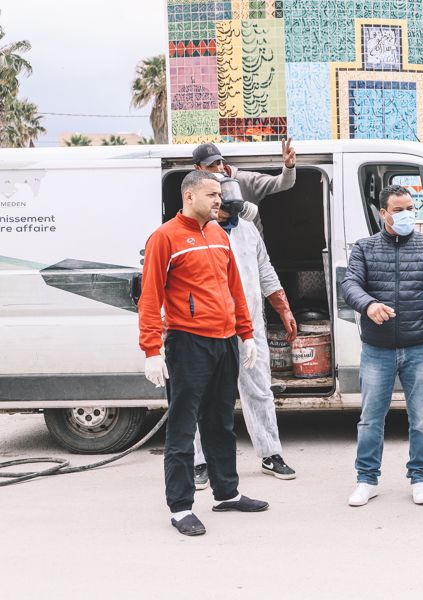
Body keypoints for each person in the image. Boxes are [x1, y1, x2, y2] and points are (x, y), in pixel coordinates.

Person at [139, 170, 268, 537]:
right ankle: (180, 508)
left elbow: (234, 288)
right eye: (212, 194)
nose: (219, 201)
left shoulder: (217, 234)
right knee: (183, 428)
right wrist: (151, 349)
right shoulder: (164, 238)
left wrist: (246, 334)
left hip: (225, 342)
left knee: (221, 423)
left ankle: (227, 493)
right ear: (189, 196)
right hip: (188, 343)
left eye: (220, 195)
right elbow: (150, 297)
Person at [341, 184, 423, 507]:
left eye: (409, 209)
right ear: (383, 213)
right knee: (371, 419)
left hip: (420, 348)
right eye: (398, 210)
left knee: (422, 420)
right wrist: (369, 304)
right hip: (377, 349)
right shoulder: (364, 248)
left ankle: (420, 478)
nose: (405, 215)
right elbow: (350, 284)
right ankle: (366, 479)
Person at [192, 175, 298, 491]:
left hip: (249, 327)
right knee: (202, 395)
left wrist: (284, 308)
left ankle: (270, 453)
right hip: (208, 328)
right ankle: (199, 462)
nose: (228, 210)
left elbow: (265, 271)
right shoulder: (196, 232)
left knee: (260, 390)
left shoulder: (247, 229)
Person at [192, 138, 296, 228]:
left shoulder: (246, 180)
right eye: (210, 166)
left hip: (251, 242)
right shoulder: (195, 191)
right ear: (198, 168)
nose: (218, 169)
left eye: (219, 162)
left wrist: (289, 167)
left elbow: (283, 183)